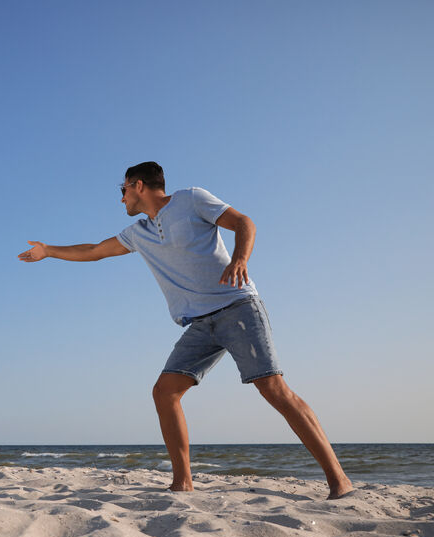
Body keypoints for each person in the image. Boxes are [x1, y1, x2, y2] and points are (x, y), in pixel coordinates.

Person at [18, 161, 353, 499]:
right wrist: (48, 251)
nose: (121, 200)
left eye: (123, 191)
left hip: (237, 308)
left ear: (137, 186)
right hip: (199, 324)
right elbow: (94, 251)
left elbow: (243, 222)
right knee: (165, 392)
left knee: (274, 389)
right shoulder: (139, 232)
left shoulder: (191, 199)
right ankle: (183, 482)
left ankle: (339, 480)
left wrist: (240, 259)